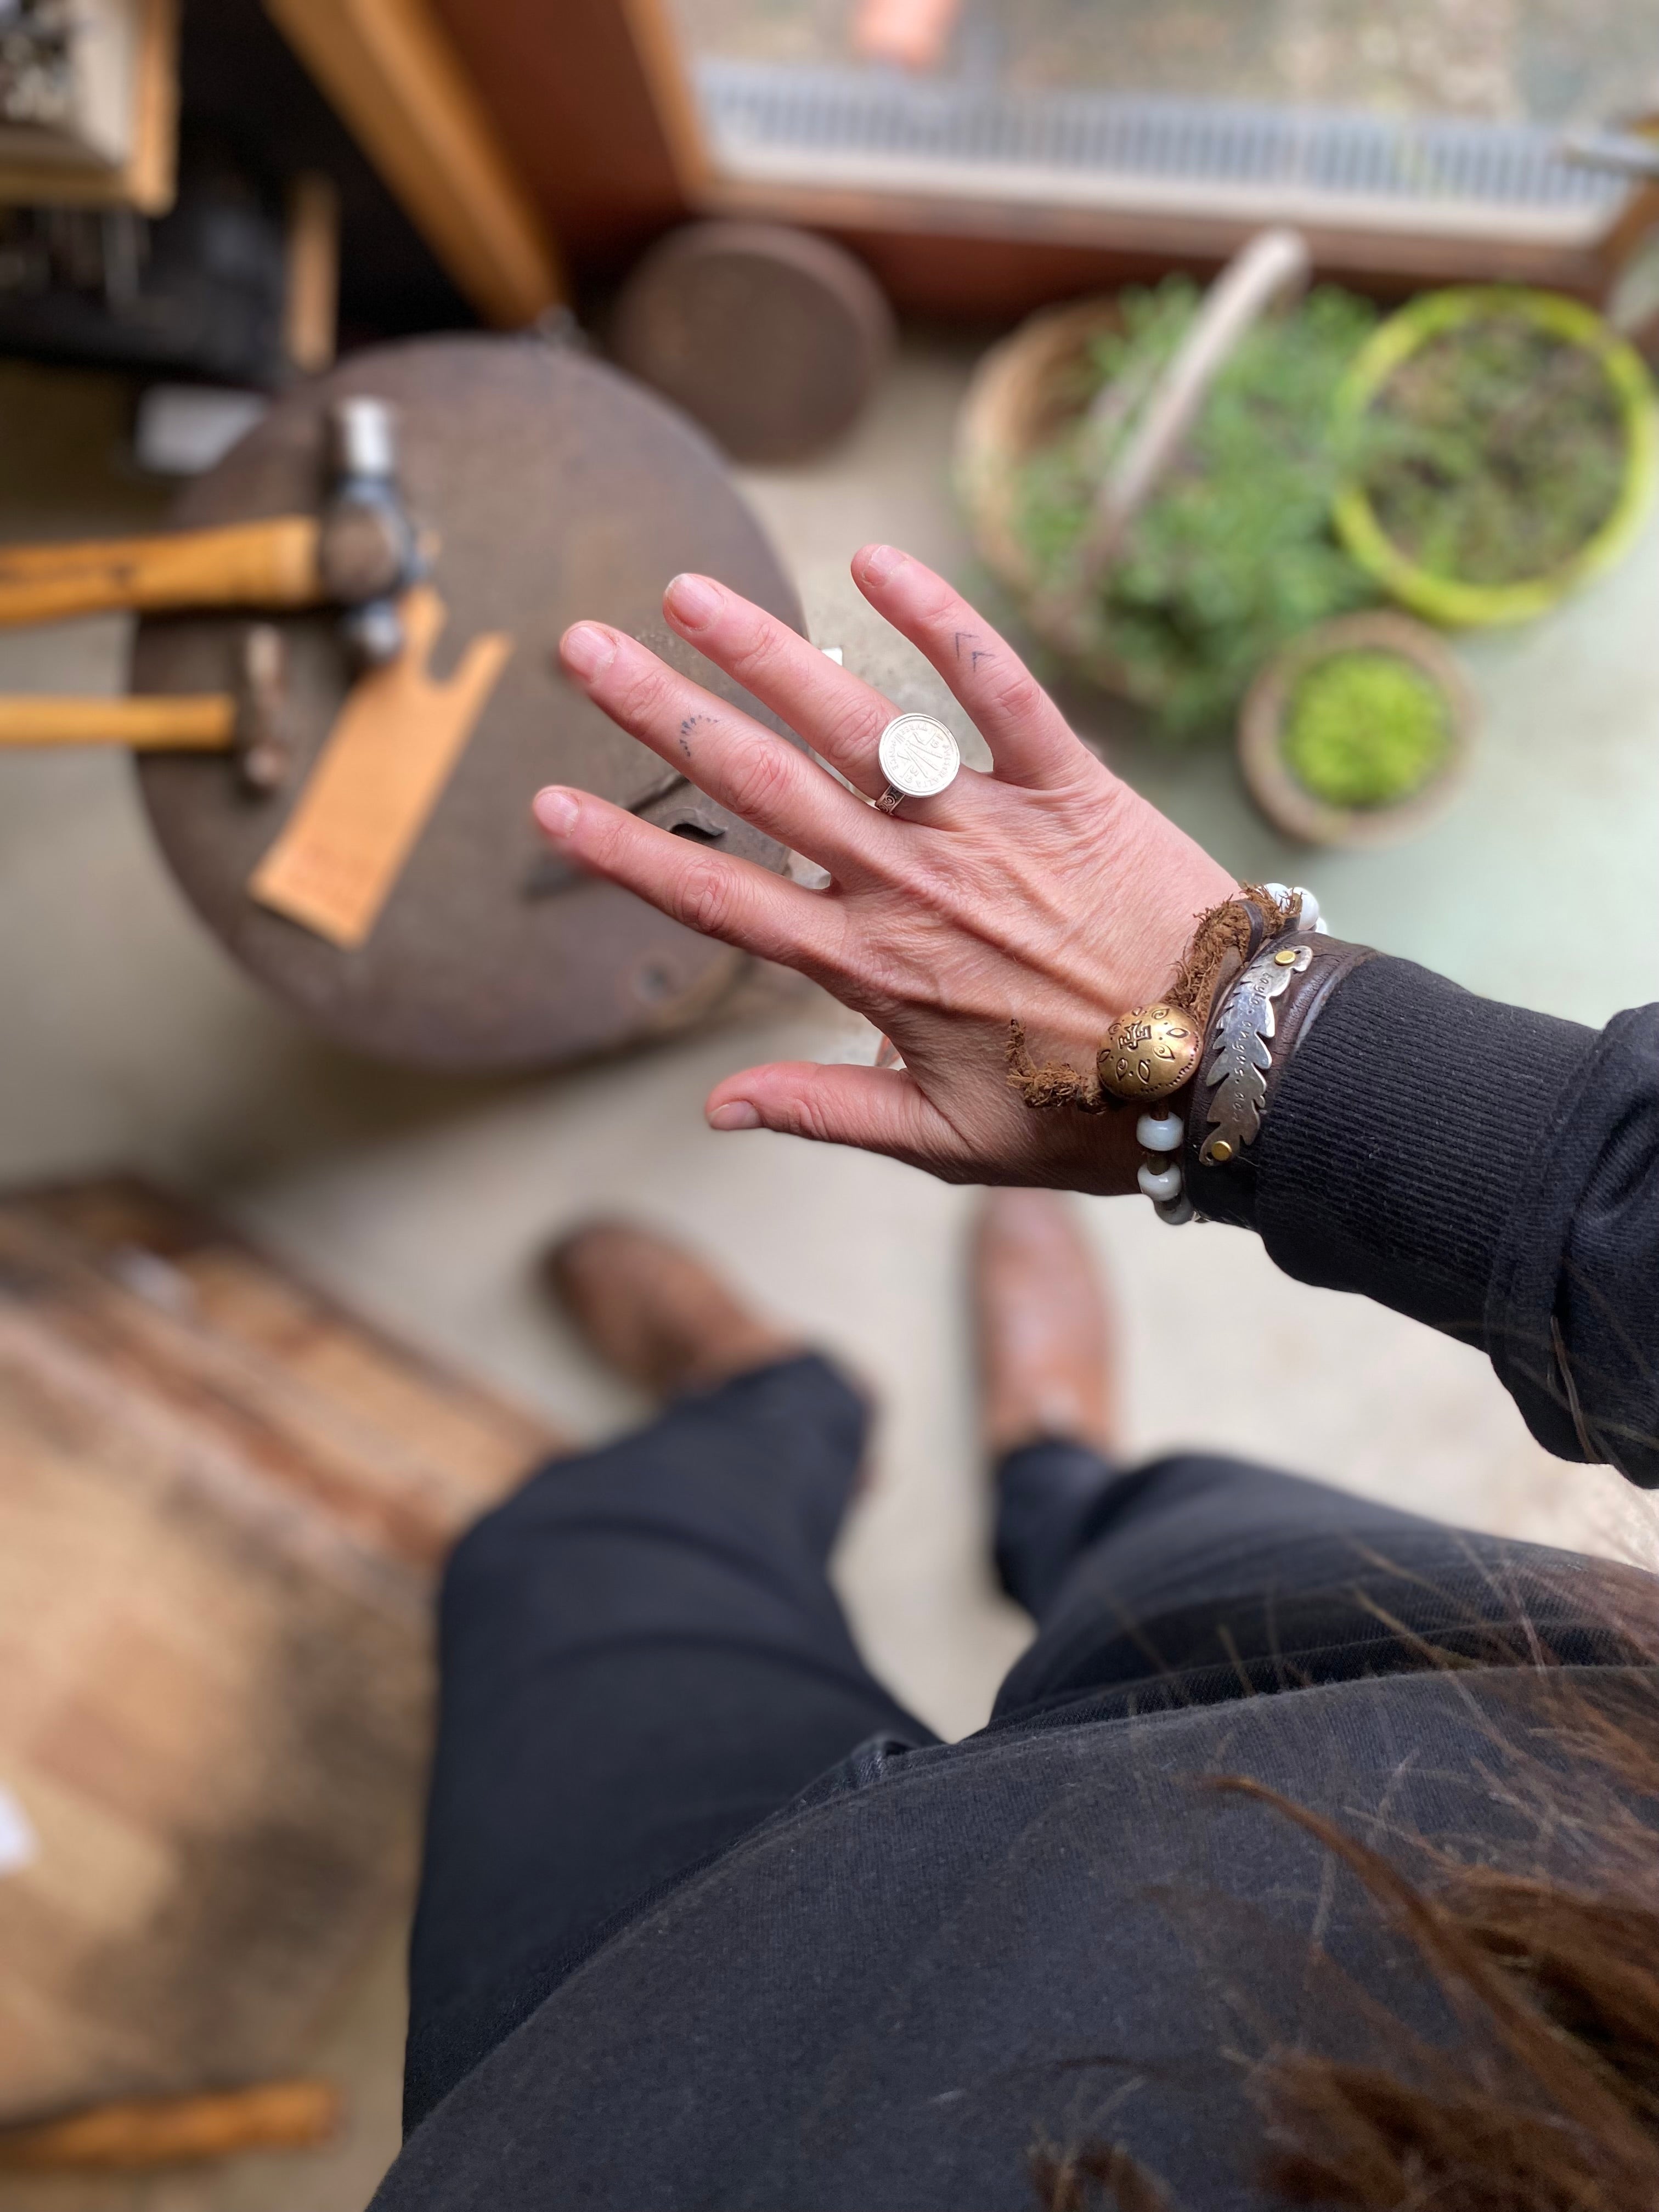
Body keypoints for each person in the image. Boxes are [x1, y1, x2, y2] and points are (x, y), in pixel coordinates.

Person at [372, 549, 1659, 2211]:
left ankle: (762, 1408)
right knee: (1185, 1534)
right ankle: (1044, 1470)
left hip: (676, 2095)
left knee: (565, 1566)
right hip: (1496, 1762)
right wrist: (1274, 1049)